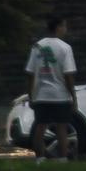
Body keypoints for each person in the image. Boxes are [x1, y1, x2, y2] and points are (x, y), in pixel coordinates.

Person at [25, 23, 77, 158]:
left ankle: (39, 158)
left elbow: (30, 74)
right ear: (58, 27)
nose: (66, 29)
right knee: (61, 129)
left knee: (40, 128)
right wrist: (73, 97)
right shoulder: (65, 47)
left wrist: (31, 95)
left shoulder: (37, 46)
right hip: (60, 95)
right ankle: (63, 159)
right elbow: (68, 75)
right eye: (64, 26)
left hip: (41, 94)